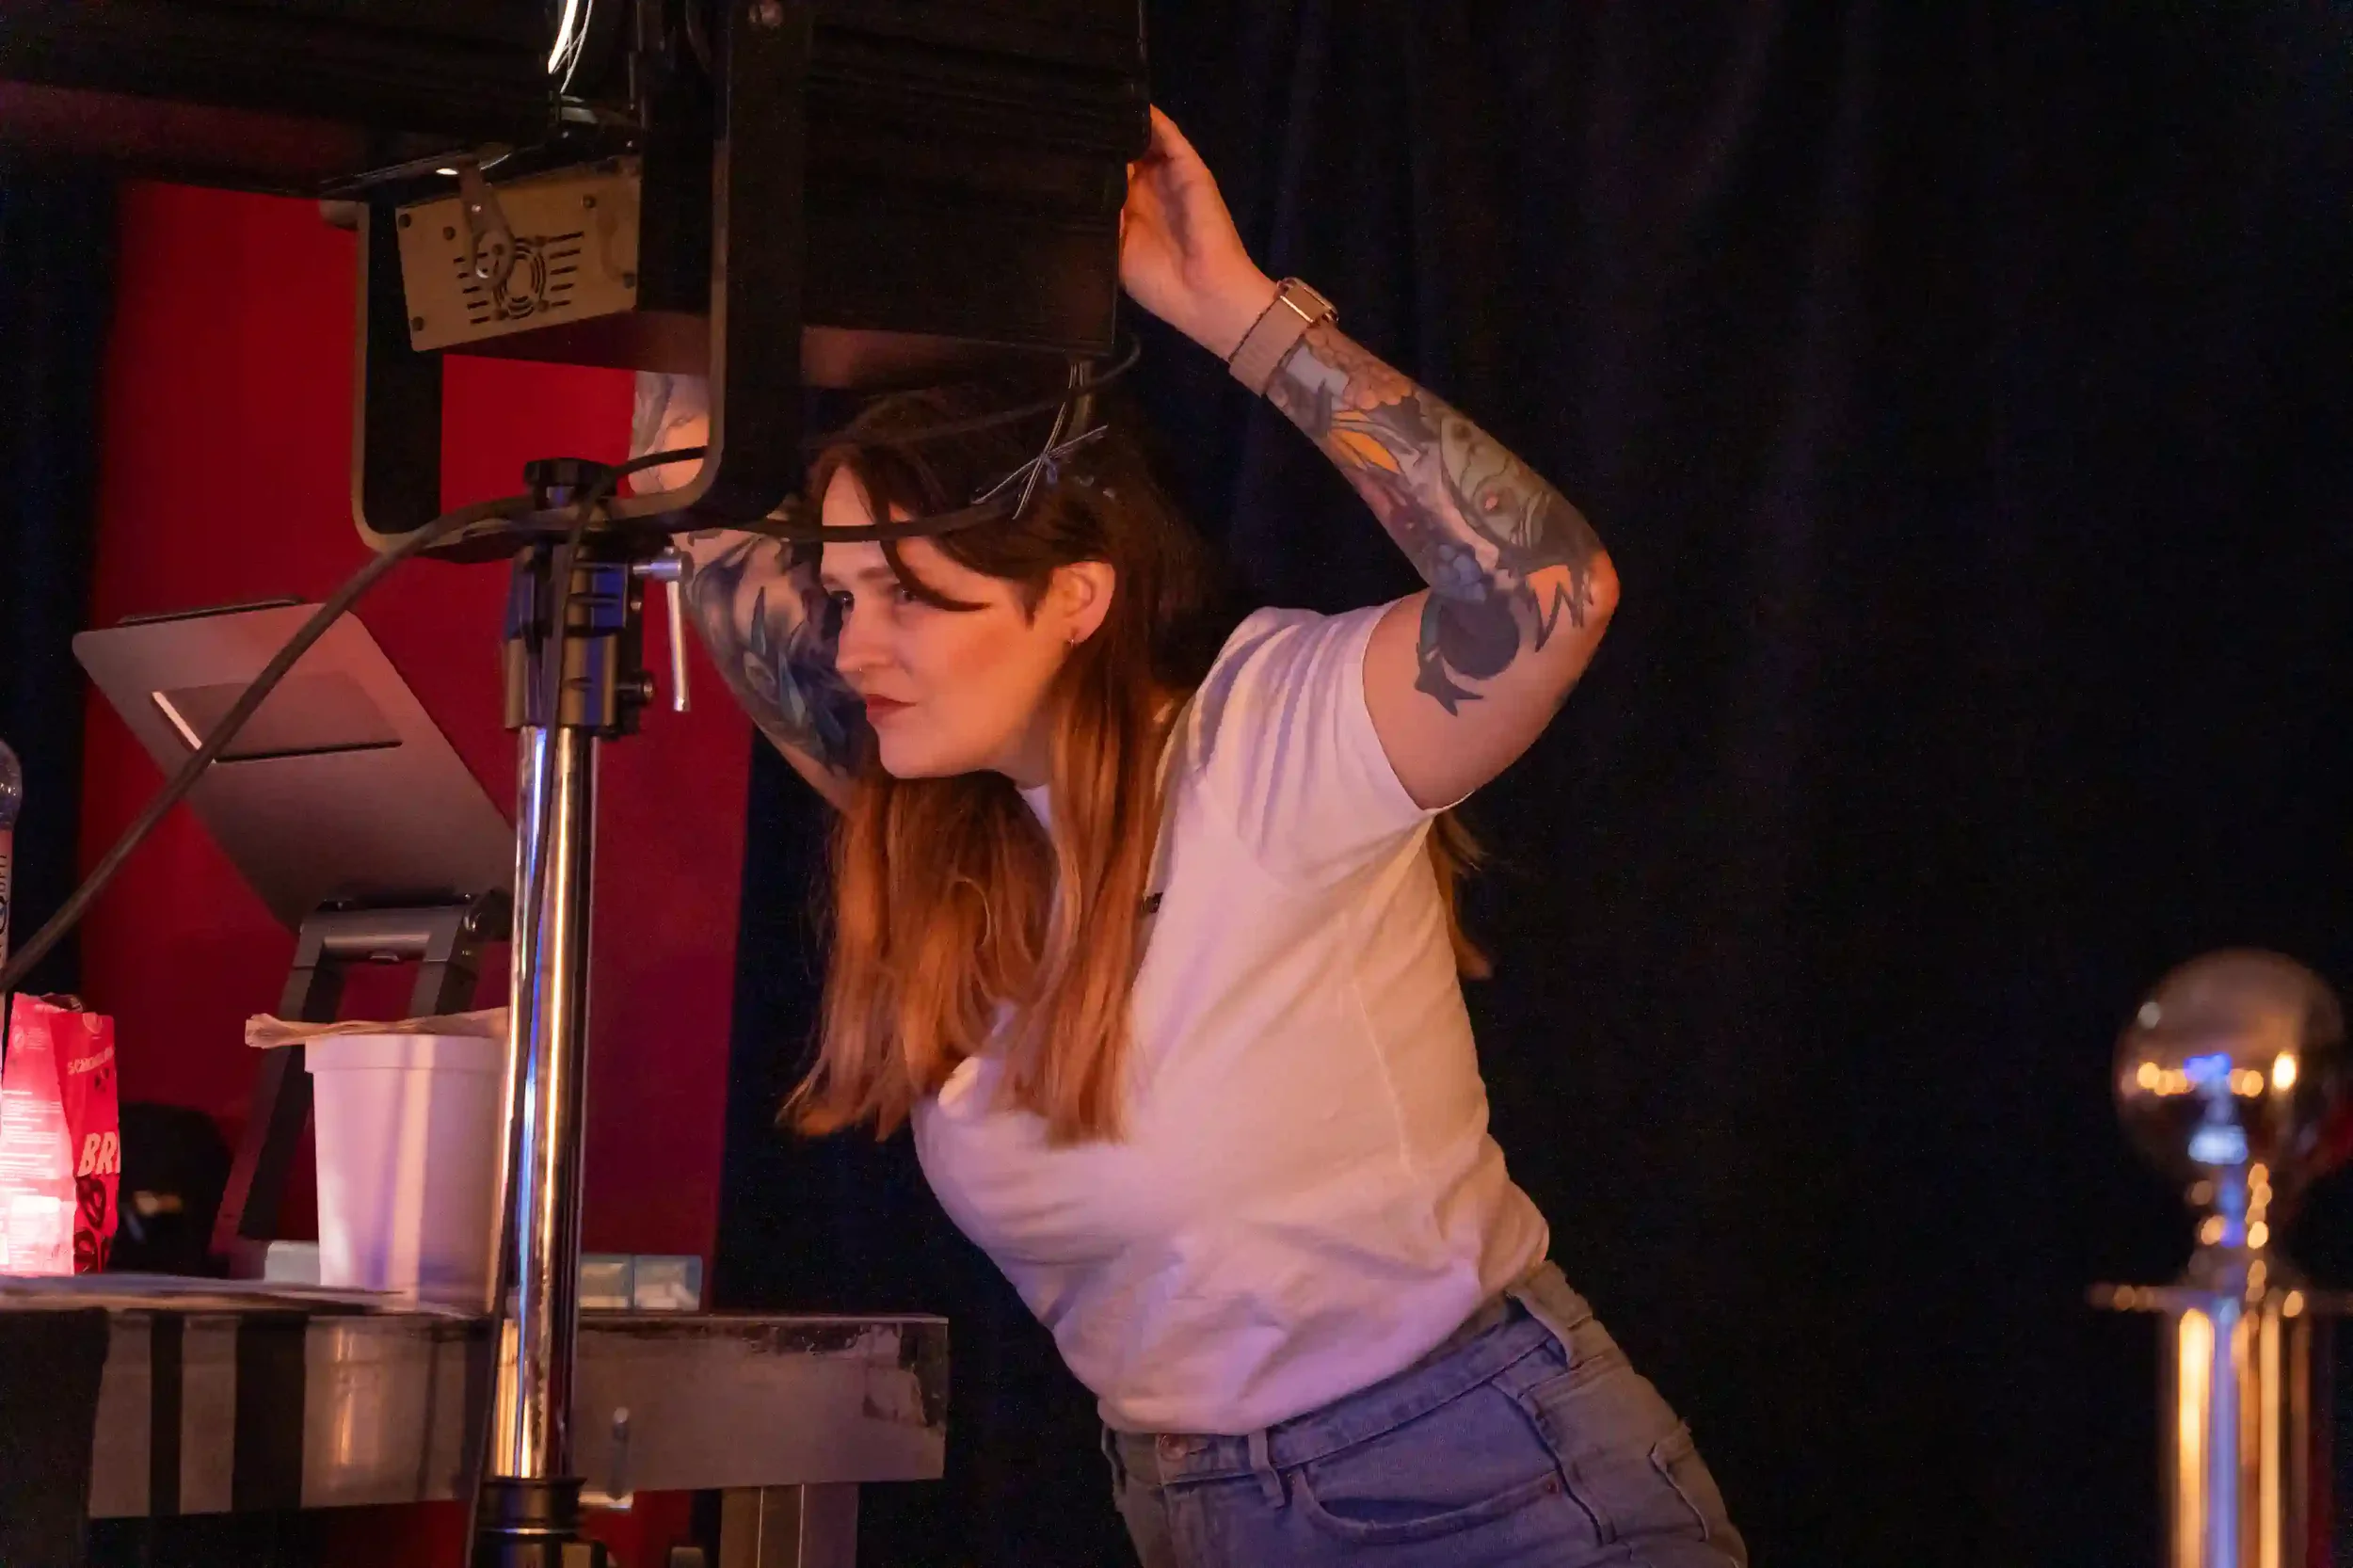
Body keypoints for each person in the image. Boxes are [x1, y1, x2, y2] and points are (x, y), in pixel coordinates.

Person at [633, 107, 1745, 1568]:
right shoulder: (931, 812)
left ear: (1077, 597)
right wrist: (688, 183)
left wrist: (1239, 313)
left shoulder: (1265, 742)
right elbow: (690, 505)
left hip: (1483, 1493)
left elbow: (1551, 589)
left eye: (913, 593)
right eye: (846, 593)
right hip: (1193, 1509)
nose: (854, 644)